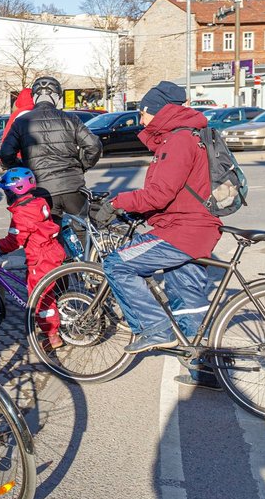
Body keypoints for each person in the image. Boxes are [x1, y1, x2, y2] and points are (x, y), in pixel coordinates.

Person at [92, 81, 222, 389]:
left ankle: (153, 327)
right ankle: (202, 369)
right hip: (197, 227)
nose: (140, 119)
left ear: (159, 112)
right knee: (189, 299)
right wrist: (140, 211)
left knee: (116, 264)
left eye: (143, 112)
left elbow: (159, 194)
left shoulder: (178, 141)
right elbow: (177, 192)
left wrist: (117, 202)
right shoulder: (192, 135)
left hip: (182, 231)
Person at [0, 76, 102, 219]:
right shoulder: (71, 119)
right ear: (57, 98)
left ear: (34, 97)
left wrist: (22, 166)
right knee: (82, 231)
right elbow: (94, 146)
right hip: (72, 185)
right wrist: (82, 165)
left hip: (41, 187)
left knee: (47, 234)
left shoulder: (21, 122)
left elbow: (5, 153)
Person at [0, 168, 64, 348]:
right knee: (45, 290)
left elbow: (14, 240)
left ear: (15, 191)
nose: (6, 194)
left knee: (41, 297)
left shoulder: (22, 213)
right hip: (52, 251)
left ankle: (52, 335)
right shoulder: (38, 201)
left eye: (6, 191)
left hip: (40, 257)